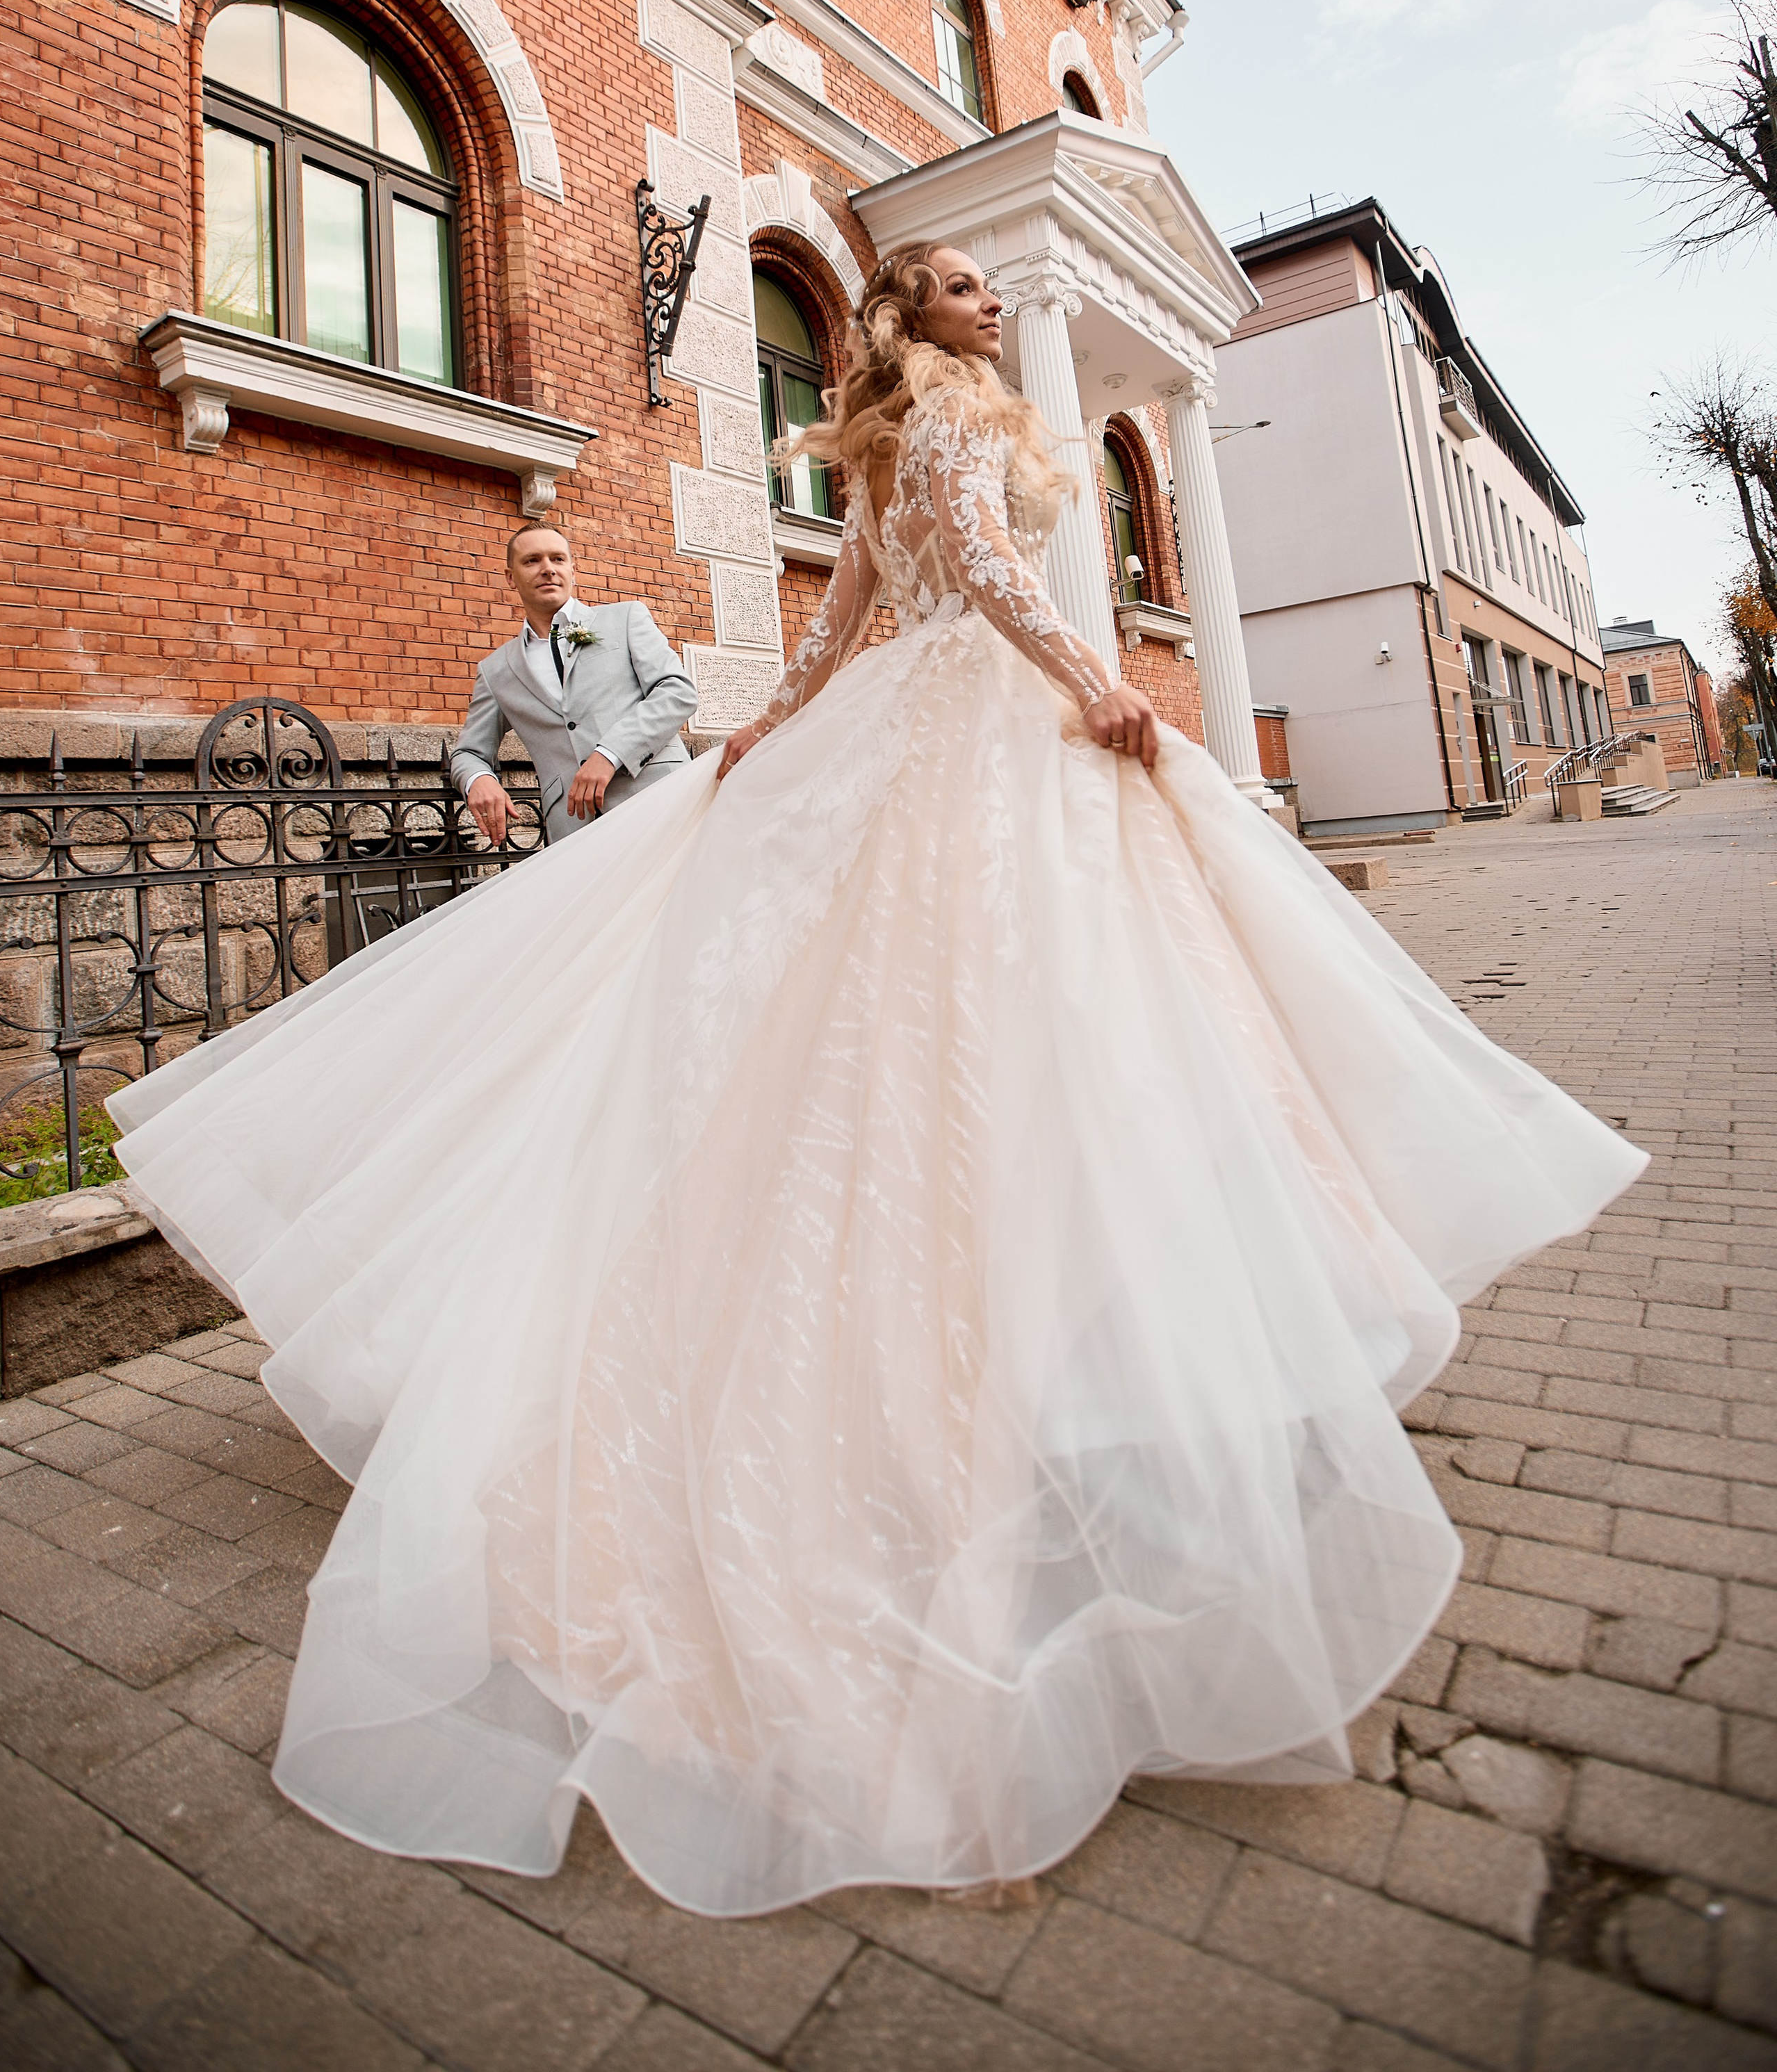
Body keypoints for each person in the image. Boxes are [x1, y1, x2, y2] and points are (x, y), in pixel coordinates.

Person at [111, 243, 1643, 1919]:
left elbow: (840, 611)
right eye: (963, 287)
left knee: (924, 1044)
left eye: (995, 287)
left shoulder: (886, 433)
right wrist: (1095, 681)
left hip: (898, 726)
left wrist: (774, 723)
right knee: (1027, 1035)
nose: (990, 303)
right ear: (911, 317)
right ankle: (1073, 1392)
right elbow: (979, 565)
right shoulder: (951, 414)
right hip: (979, 728)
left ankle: (1060, 1368)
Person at [451, 519, 697, 845]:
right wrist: (479, 780)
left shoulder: (624, 618)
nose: (548, 569)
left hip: (660, 799)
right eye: (532, 560)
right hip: (576, 829)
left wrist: (610, 754)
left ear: (572, 569)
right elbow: (468, 752)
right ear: (511, 577)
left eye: (558, 559)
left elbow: (678, 692)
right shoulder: (496, 670)